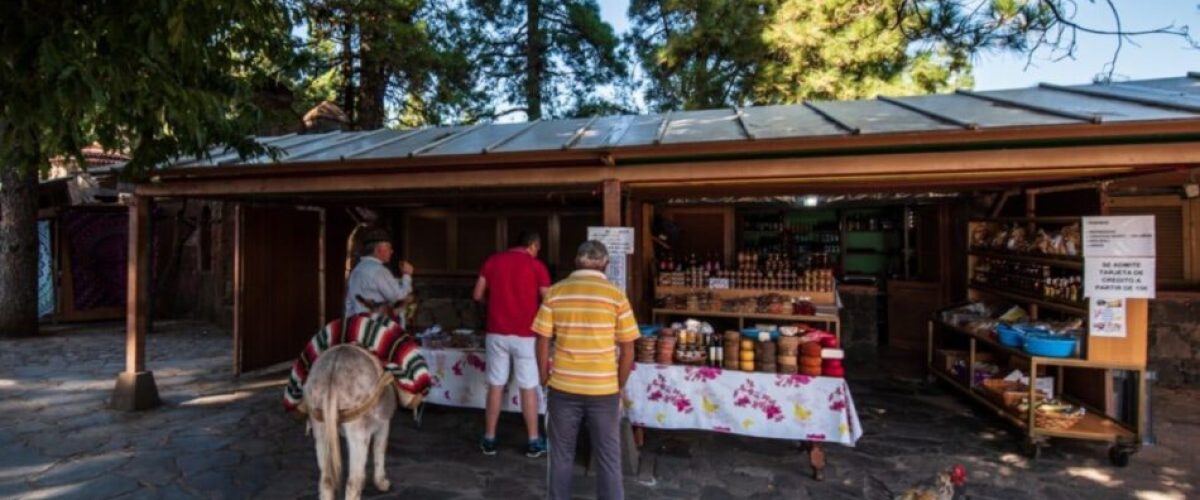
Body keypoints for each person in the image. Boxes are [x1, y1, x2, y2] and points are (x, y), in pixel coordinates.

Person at [533, 240, 638, 500]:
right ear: (605, 264)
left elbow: (542, 341)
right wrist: (618, 385)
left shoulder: (555, 293)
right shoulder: (616, 296)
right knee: (609, 458)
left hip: (563, 388)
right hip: (603, 390)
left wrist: (544, 377)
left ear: (576, 262)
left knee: (561, 455)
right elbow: (628, 350)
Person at [473, 231, 551, 457]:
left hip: (496, 333)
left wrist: (496, 301)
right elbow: (548, 300)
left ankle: (489, 438)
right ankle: (534, 441)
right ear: (533, 245)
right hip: (527, 336)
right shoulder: (537, 266)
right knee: (528, 387)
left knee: (495, 385)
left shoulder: (493, 261)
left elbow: (477, 294)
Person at [344, 228, 414, 326]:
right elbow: (398, 298)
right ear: (378, 249)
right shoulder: (379, 271)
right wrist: (407, 275)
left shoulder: (357, 270)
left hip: (357, 326)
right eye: (389, 248)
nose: (392, 251)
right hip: (376, 329)